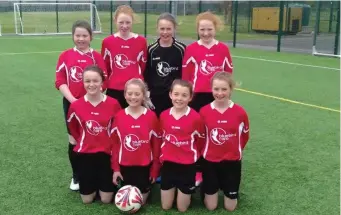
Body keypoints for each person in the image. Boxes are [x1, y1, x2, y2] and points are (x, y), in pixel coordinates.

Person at [182, 11, 234, 187]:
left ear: (215, 29)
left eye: (209, 29)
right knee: (197, 133)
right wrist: (188, 97)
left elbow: (228, 75)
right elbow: (186, 76)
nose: (205, 33)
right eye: (202, 29)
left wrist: (226, 96)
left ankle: (217, 167)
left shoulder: (223, 49)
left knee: (216, 132)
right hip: (197, 97)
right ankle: (197, 170)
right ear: (198, 29)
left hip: (217, 98)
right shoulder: (191, 49)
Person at [54, 20, 107, 191]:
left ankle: (97, 174)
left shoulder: (96, 57)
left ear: (91, 37)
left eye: (84, 35)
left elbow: (104, 81)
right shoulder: (65, 55)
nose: (81, 39)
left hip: (95, 104)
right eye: (77, 35)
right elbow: (60, 81)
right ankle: (77, 175)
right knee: (74, 138)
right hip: (72, 103)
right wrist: (74, 101)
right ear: (73, 36)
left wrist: (93, 99)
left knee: (94, 136)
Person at [67, 65, 121, 204]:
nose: (91, 84)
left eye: (95, 81)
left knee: (106, 200)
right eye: (87, 81)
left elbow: (118, 128)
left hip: (106, 155)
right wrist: (86, 141)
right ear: (83, 82)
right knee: (87, 200)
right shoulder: (76, 105)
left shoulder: (113, 103)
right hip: (85, 155)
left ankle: (103, 182)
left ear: (102, 82)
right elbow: (73, 128)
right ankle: (90, 182)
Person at [199, 72, 249, 211]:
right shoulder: (204, 111)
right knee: (211, 206)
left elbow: (244, 136)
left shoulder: (240, 112)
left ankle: (228, 188)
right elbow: (201, 138)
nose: (220, 93)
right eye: (216, 89)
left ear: (231, 90)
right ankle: (207, 187)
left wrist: (234, 151)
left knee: (230, 207)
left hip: (231, 162)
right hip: (210, 161)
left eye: (224, 89)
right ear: (211, 89)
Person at [111, 78, 162, 205]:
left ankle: (148, 188)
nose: (133, 97)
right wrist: (116, 169)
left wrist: (155, 169)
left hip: (144, 166)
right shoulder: (119, 116)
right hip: (125, 166)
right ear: (124, 94)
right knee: (127, 201)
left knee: (140, 202)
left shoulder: (151, 116)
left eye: (137, 94)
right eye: (129, 93)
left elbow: (156, 145)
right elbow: (115, 145)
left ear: (144, 95)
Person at [159, 79, 205, 212]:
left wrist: (190, 154)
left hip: (187, 166)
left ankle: (193, 182)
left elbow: (200, 141)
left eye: (184, 95)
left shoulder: (196, 118)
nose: (179, 98)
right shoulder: (163, 115)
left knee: (182, 208)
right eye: (176, 94)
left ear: (190, 97)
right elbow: (162, 137)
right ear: (170, 95)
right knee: (166, 206)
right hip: (168, 164)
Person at [101, 5, 148, 109]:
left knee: (134, 120)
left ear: (132, 22)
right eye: (121, 22)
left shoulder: (141, 41)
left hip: (135, 90)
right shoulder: (107, 42)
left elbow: (143, 65)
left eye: (128, 22)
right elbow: (105, 67)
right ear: (115, 21)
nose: (124, 26)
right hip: (114, 88)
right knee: (115, 121)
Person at [144, 12, 186, 117]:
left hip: (175, 97)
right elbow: (147, 73)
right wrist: (147, 93)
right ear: (157, 29)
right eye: (162, 29)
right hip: (155, 96)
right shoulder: (151, 49)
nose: (165, 32)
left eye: (168, 29)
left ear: (174, 29)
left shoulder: (182, 49)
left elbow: (185, 74)